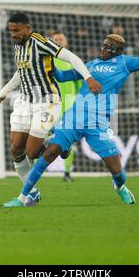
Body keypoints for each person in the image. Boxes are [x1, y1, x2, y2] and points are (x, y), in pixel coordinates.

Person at [1, 22, 139, 207]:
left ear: (118, 51)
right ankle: (23, 197)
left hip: (98, 123)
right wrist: (46, 62)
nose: (104, 49)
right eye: (103, 45)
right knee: (47, 155)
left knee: (118, 172)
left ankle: (119, 187)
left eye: (109, 47)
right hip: (73, 118)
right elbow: (62, 76)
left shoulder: (125, 63)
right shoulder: (89, 65)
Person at [0, 13, 102, 203]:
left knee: (32, 152)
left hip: (46, 101)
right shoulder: (18, 45)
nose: (13, 34)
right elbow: (22, 72)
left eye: (17, 30)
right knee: (16, 148)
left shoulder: (41, 42)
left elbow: (71, 57)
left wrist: (88, 78)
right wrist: (3, 92)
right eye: (11, 31)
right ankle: (31, 192)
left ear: (28, 28)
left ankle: (59, 144)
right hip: (25, 101)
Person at [52, 31, 83, 182]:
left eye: (60, 39)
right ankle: (35, 171)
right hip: (50, 104)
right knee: (42, 139)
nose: (58, 41)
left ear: (66, 42)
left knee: (68, 142)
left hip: (68, 106)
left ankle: (67, 173)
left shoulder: (72, 60)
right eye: (55, 39)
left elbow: (79, 85)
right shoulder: (47, 59)